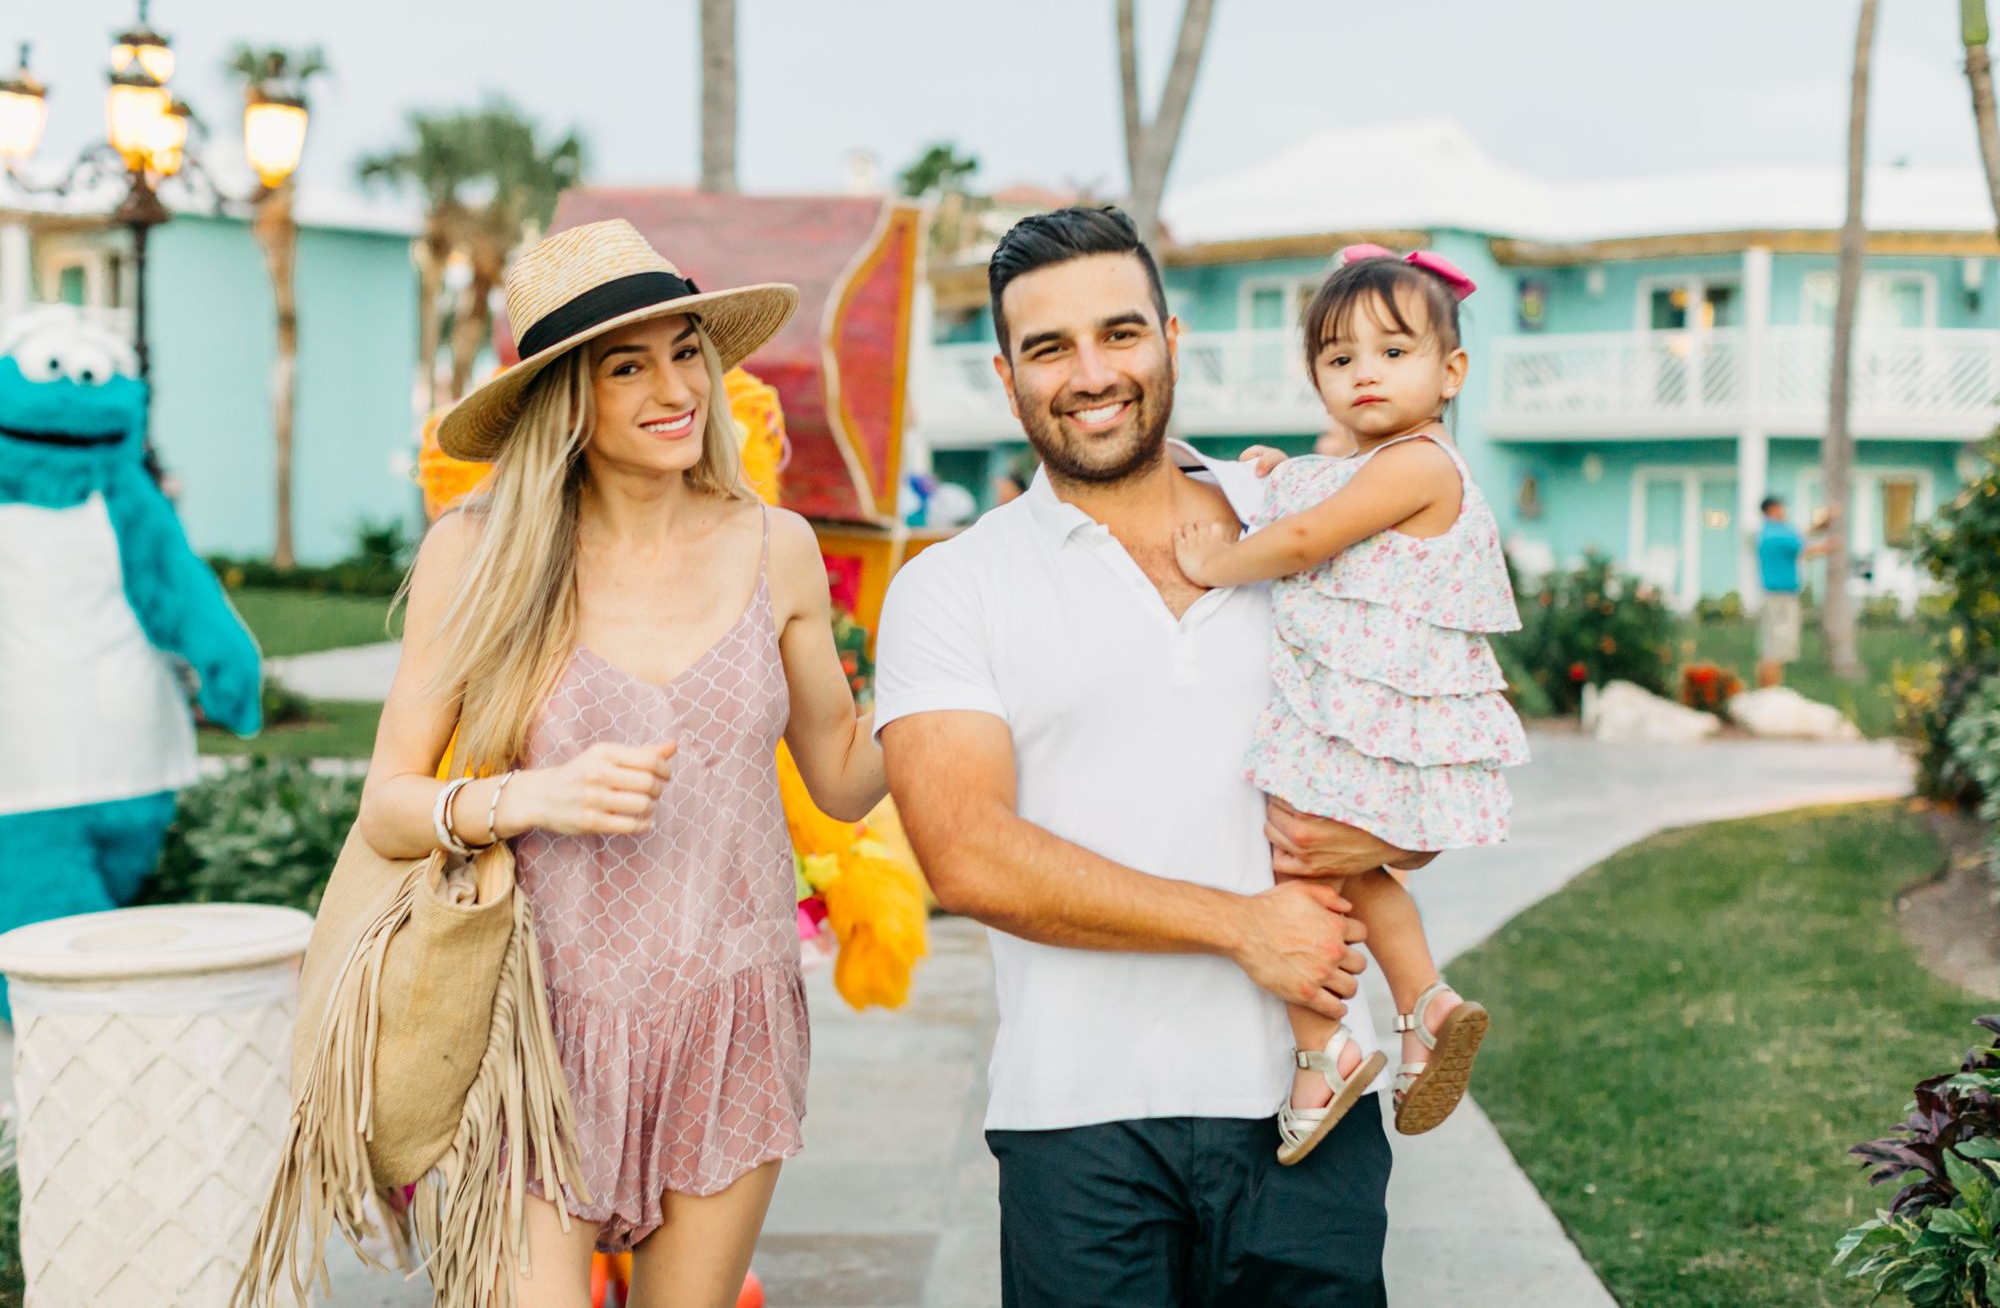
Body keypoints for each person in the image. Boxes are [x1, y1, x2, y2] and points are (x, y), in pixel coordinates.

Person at [875, 207, 1423, 1306]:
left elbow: (1428, 757)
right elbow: (967, 855)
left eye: (1118, 334)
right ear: (1004, 373)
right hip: (1077, 1124)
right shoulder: (951, 584)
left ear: (1171, 337)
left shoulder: (1308, 519)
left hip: (1311, 1111)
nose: (1090, 373)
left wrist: (1391, 829)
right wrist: (1239, 926)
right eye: (1048, 347)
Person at [364, 218, 887, 1307]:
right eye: (626, 364)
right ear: (568, 395)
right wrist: (528, 795)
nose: (673, 386)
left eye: (685, 349)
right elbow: (388, 806)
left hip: (729, 1011)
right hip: (533, 1031)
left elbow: (841, 775)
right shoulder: (476, 554)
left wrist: (955, 666)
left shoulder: (774, 546)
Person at [1173, 246, 1530, 1162]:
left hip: (1371, 719)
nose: (1364, 371)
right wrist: (1272, 468)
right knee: (1359, 874)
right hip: (1374, 720)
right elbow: (1316, 495)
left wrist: (1215, 559)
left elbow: (1303, 538)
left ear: (1450, 372)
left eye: (1393, 352)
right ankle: (1425, 1007)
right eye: (1339, 358)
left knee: (1293, 869)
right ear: (1317, 378)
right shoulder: (1381, 464)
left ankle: (1322, 1050)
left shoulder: (1419, 464)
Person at [1754, 496, 1829, 689]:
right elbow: (1805, 548)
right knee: (1777, 647)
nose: (1784, 512)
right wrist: (1830, 546)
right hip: (1781, 598)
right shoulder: (1777, 533)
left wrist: (1818, 527)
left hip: (1773, 596)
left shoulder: (1768, 532)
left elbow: (1798, 536)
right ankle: (1771, 691)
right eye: (1781, 508)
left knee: (1771, 645)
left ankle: (1766, 690)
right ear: (1771, 510)